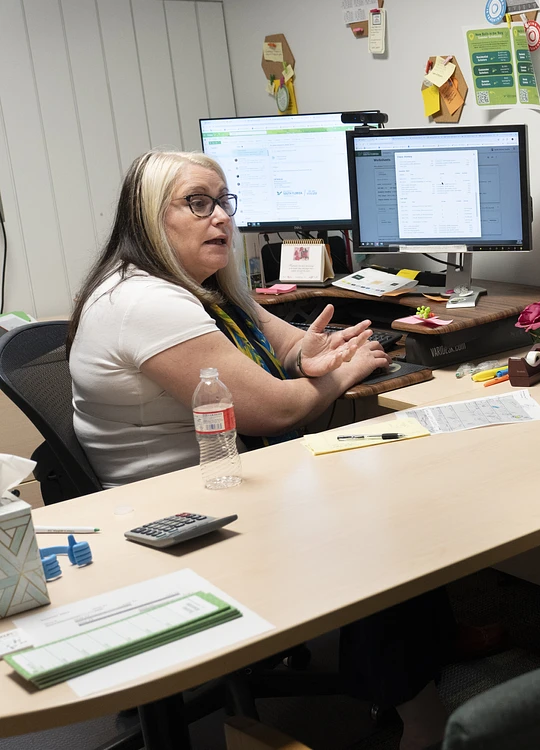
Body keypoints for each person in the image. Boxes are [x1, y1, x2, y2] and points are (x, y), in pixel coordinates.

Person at [68, 151, 451, 748]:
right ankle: (416, 708)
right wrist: (342, 376)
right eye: (197, 203)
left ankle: (403, 672)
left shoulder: (199, 287)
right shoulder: (145, 304)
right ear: (148, 218)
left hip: (230, 476)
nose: (219, 217)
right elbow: (272, 408)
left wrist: (312, 356)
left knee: (393, 491)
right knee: (389, 524)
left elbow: (285, 341)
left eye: (224, 201)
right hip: (178, 517)